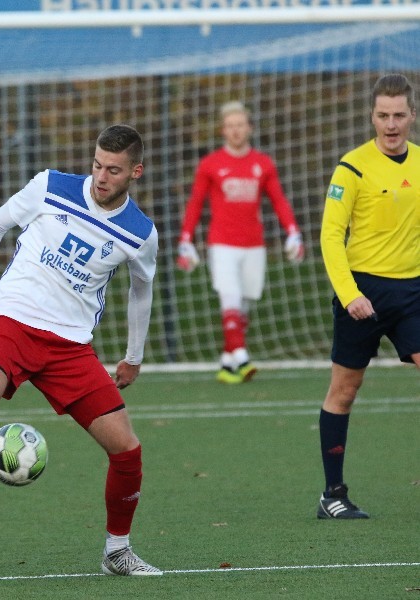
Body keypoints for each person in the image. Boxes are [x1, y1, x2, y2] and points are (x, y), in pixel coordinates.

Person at [0, 125, 162, 576]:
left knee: (127, 451)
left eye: (114, 170)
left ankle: (117, 551)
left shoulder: (140, 233)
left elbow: (142, 291)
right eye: (98, 164)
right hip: (13, 320)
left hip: (70, 348)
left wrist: (132, 356)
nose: (101, 176)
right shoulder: (51, 186)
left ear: (135, 172)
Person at [316, 73, 420, 520]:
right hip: (361, 291)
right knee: (345, 389)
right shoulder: (351, 167)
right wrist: (349, 293)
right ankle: (332, 495)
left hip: (412, 291)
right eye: (383, 115)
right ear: (372, 116)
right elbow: (329, 235)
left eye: (399, 115)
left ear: (412, 116)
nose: (391, 124)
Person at [176, 101, 304, 384]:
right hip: (221, 243)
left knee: (243, 305)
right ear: (223, 130)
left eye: (240, 125)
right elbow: (195, 203)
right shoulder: (210, 164)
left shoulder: (263, 164)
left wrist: (293, 231)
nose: (235, 130)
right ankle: (243, 357)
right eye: (230, 126)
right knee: (229, 297)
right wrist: (186, 240)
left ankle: (227, 360)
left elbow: (279, 200)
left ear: (249, 127)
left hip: (254, 244)